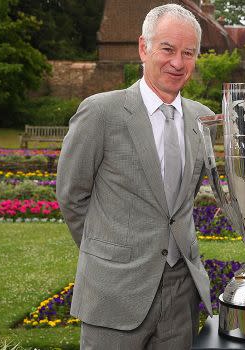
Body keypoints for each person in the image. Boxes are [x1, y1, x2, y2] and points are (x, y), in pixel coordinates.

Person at [56, 4, 213, 349]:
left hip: (180, 294)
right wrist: (109, 254)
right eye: (168, 49)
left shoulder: (203, 120)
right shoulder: (101, 113)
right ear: (144, 47)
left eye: (188, 53)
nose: (178, 62)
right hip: (114, 294)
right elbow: (71, 195)